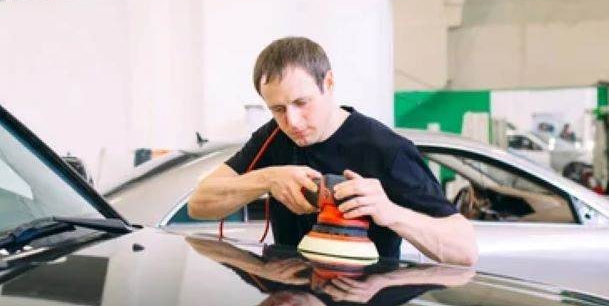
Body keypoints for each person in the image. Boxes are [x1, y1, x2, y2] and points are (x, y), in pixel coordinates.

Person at [188, 37, 477, 265]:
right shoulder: (273, 136)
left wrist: (388, 212)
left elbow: (464, 251)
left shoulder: (387, 150)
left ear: (328, 82)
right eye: (277, 109)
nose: (292, 122)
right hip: (293, 304)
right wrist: (267, 179)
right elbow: (198, 204)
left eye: (302, 102)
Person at [186, 236, 474, 306]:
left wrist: (258, 268)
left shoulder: (267, 280)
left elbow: (196, 241)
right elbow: (462, 274)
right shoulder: (370, 297)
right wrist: (385, 280)